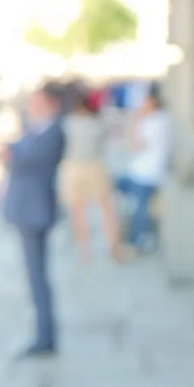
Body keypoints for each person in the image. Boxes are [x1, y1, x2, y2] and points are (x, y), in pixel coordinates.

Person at [0, 81, 66, 358]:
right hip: (27, 207)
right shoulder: (37, 127)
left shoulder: (53, 132)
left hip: (35, 210)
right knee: (34, 276)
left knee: (38, 276)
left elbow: (27, 161)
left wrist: (10, 155)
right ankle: (43, 333)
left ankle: (45, 336)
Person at [58, 89, 122, 262]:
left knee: (78, 212)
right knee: (107, 209)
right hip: (95, 166)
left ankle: (84, 251)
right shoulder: (97, 124)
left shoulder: (67, 124)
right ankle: (114, 247)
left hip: (74, 168)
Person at [115, 84, 172, 254]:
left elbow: (135, 145)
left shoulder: (155, 121)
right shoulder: (160, 119)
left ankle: (136, 241)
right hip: (141, 171)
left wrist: (135, 120)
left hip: (147, 174)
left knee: (139, 210)